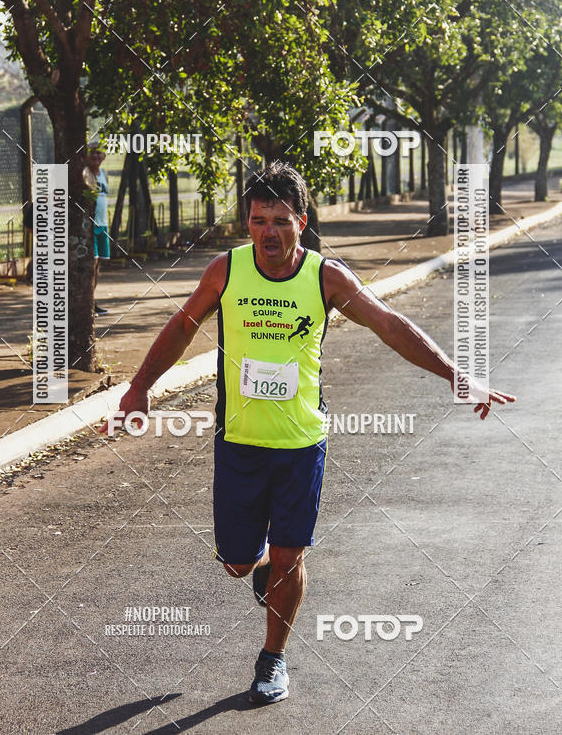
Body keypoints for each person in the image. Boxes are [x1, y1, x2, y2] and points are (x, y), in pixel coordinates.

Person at [101, 162, 515, 705]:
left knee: (291, 554)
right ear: (246, 223)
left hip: (301, 445)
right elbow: (183, 326)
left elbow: (389, 324)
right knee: (237, 563)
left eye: (279, 220)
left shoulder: (326, 278)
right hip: (239, 442)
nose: (267, 232)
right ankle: (262, 567)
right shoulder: (227, 271)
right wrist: (138, 388)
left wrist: (457, 376)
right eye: (257, 220)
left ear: (301, 220)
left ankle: (272, 658)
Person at [85, 143, 110, 316]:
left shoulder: (105, 174)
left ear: (103, 156)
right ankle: (86, 303)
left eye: (98, 153)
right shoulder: (85, 174)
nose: (95, 156)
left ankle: (92, 301)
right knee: (90, 265)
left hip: (103, 224)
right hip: (90, 226)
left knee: (98, 265)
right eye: (92, 153)